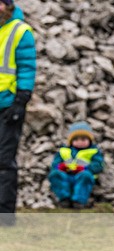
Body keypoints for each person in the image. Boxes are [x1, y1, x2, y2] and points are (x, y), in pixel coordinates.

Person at [0, 0, 35, 227]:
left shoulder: (20, 31)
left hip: (8, 105)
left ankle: (5, 214)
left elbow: (27, 66)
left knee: (3, 161)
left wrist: (21, 100)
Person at [48, 121, 105, 209]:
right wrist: (61, 167)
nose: (80, 142)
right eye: (76, 139)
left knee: (85, 176)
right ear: (71, 141)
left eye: (83, 139)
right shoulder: (64, 150)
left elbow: (98, 165)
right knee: (55, 175)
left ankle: (79, 201)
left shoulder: (94, 151)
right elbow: (55, 164)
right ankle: (64, 199)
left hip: (81, 176)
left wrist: (85, 168)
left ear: (89, 140)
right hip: (66, 175)